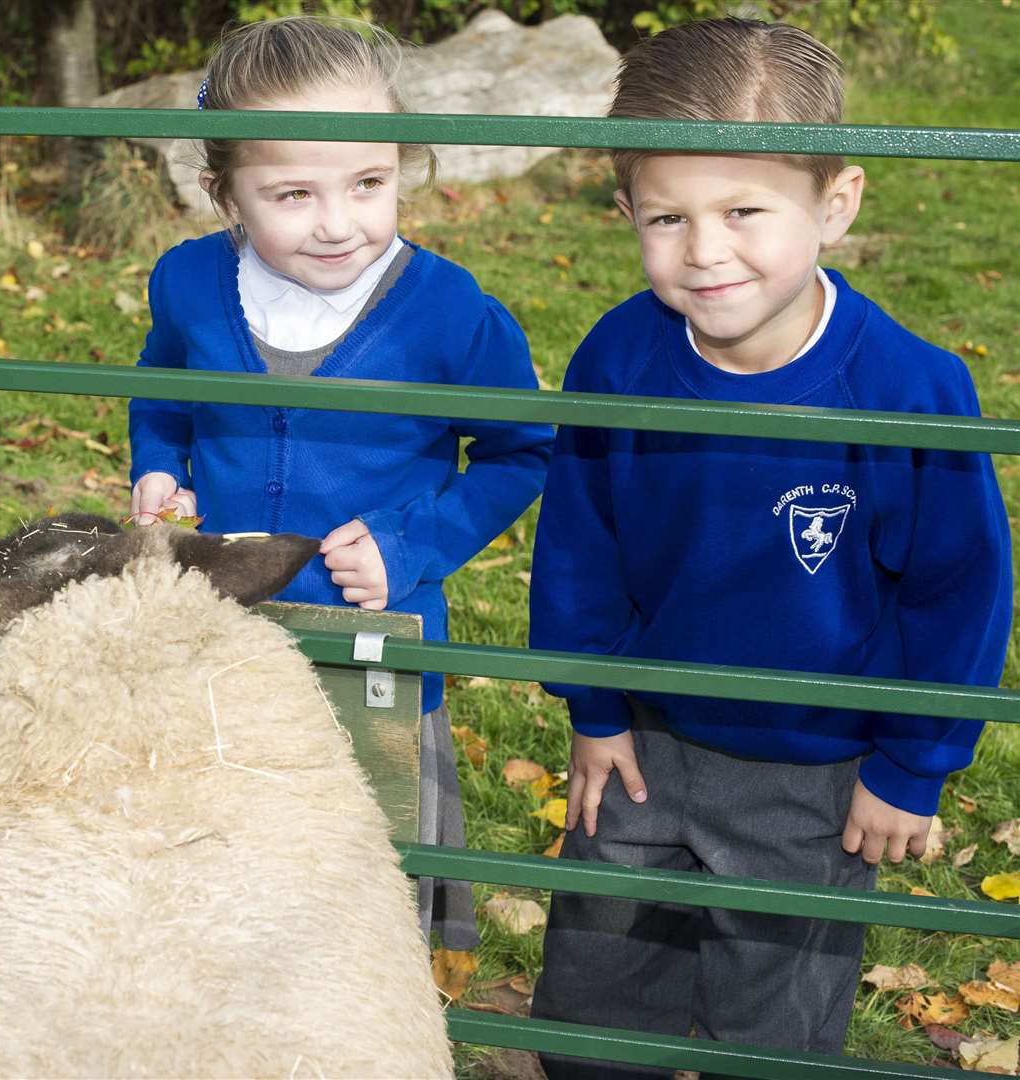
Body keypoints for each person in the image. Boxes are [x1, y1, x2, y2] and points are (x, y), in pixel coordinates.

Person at [527, 17, 1012, 1075]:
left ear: (833, 204)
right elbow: (581, 541)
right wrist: (596, 706)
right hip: (645, 743)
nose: (704, 250)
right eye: (667, 215)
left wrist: (914, 766)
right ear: (625, 212)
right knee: (596, 989)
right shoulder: (619, 359)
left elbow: (957, 592)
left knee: (773, 1016)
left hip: (819, 773)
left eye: (744, 210)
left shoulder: (907, 393)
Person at [127, 15, 553, 956]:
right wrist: (159, 462)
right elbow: (161, 388)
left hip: (373, 648)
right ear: (223, 194)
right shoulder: (189, 284)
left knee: (368, 872)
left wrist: (408, 546)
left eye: (369, 182)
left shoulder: (450, 312)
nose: (338, 222)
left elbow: (526, 449)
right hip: (224, 629)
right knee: (227, 846)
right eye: (291, 193)